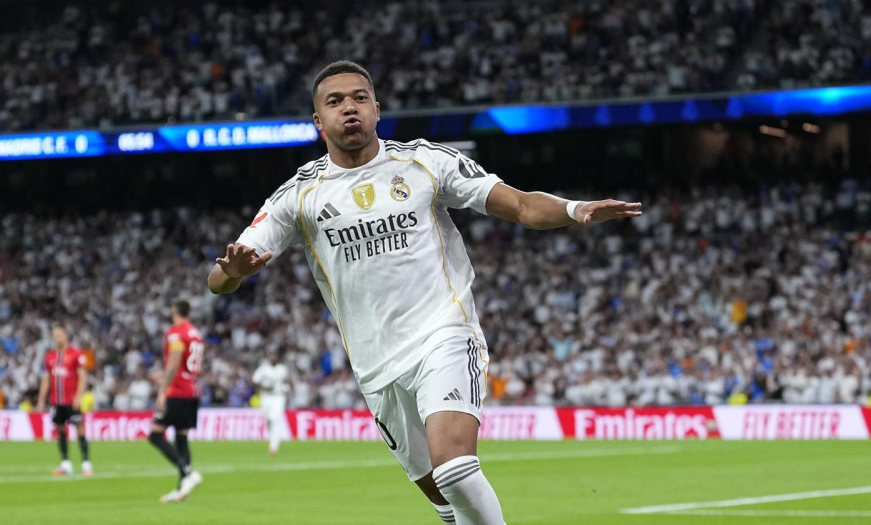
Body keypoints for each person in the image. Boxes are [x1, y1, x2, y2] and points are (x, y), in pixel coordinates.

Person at [208, 60, 642, 525]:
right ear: (318, 121)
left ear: (377, 109)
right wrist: (233, 272)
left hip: (444, 332)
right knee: (446, 506)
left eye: (358, 98)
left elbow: (518, 204)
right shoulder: (297, 195)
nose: (348, 108)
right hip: (375, 366)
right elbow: (218, 280)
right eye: (334, 102)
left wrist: (575, 209)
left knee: (455, 469)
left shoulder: (425, 162)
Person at [151, 301, 205, 503]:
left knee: (155, 434)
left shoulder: (176, 333)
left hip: (178, 391)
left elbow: (174, 362)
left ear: (173, 311)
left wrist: (162, 390)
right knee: (181, 439)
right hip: (193, 390)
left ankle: (188, 473)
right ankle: (182, 489)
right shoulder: (195, 334)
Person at [35, 326, 92, 477]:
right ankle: (66, 465)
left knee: (80, 430)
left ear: (66, 335)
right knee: (61, 431)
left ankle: (86, 464)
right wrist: (41, 400)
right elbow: (46, 378)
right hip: (56, 401)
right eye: (54, 335)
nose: (57, 337)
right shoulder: (50, 356)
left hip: (71, 400)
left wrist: (79, 396)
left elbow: (82, 376)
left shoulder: (76, 354)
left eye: (60, 334)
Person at [252, 349, 289, 455]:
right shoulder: (263, 369)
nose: (272, 358)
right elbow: (255, 380)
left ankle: (274, 446)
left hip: (278, 397)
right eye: (271, 356)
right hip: (266, 396)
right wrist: (263, 386)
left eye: (274, 356)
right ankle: (272, 439)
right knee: (268, 420)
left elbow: (286, 381)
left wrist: (286, 388)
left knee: (275, 419)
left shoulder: (282, 369)